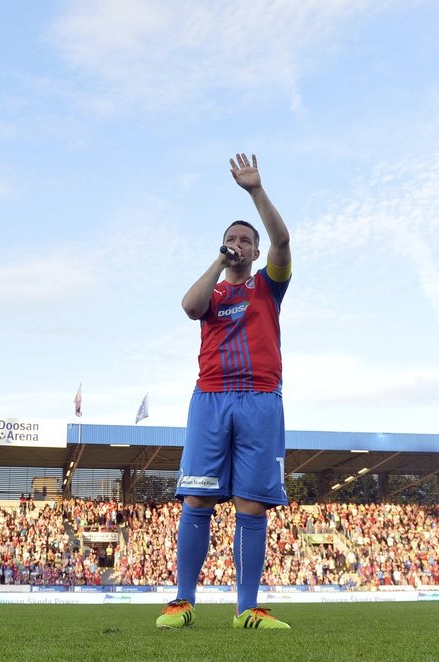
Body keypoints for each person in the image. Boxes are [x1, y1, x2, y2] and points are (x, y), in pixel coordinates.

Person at [156, 153, 292, 630]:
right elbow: (188, 307)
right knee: (197, 499)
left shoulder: (267, 286)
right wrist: (218, 259)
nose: (239, 244)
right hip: (211, 398)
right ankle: (182, 601)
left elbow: (283, 239)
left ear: (255, 251)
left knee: (251, 503)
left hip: (259, 399)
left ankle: (245, 609)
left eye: (245, 240)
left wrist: (255, 191)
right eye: (232, 239)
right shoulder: (212, 295)